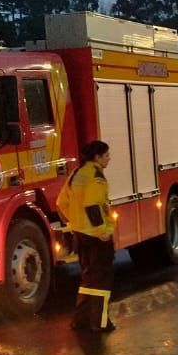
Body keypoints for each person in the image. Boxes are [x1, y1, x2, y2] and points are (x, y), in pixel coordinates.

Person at [57, 140, 117, 333]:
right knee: (101, 279)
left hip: (80, 234)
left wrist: (75, 222)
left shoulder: (77, 174)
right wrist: (102, 232)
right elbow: (93, 205)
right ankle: (99, 322)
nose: (109, 158)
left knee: (88, 278)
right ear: (97, 157)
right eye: (106, 155)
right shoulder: (95, 176)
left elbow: (61, 202)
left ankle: (80, 320)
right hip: (96, 237)